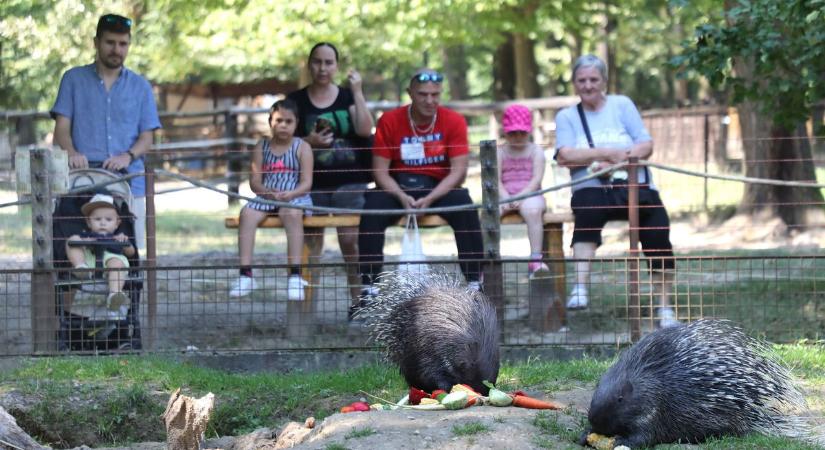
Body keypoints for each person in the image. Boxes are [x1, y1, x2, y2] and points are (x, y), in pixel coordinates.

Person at [555, 54, 677, 328]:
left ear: (604, 81)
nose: (588, 85)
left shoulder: (622, 105)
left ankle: (665, 307)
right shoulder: (567, 116)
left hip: (633, 183)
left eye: (593, 79)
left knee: (657, 226)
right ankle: (581, 287)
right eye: (582, 80)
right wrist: (606, 155)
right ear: (574, 83)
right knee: (587, 210)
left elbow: (645, 144)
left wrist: (618, 161)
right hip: (591, 186)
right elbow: (565, 155)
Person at [358, 69, 484, 300]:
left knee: (465, 206)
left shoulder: (454, 121)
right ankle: (369, 287)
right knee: (372, 208)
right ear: (410, 94)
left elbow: (458, 172)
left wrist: (431, 198)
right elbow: (379, 172)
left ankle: (475, 282)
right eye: (423, 94)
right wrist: (400, 196)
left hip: (438, 185)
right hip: (398, 185)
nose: (429, 100)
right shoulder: (389, 120)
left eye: (435, 95)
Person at [51, 13, 161, 256]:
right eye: (110, 42)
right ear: (96, 42)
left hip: (129, 183)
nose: (117, 50)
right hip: (80, 180)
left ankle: (120, 295)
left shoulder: (141, 86)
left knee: (126, 253)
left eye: (123, 44)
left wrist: (128, 156)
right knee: (68, 252)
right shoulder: (73, 79)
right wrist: (71, 152)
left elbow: (147, 137)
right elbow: (61, 128)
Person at [287, 42, 374, 308]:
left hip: (350, 180)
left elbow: (364, 129)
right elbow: (283, 142)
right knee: (312, 243)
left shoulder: (347, 96)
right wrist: (308, 140)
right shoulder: (296, 101)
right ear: (309, 64)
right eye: (317, 61)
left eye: (328, 62)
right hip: (311, 183)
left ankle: (358, 302)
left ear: (336, 66)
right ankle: (306, 306)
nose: (322, 68)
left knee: (349, 241)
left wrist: (357, 91)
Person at [229, 100, 313, 301]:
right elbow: (255, 181)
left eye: (288, 121)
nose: (283, 125)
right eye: (279, 120)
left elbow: (306, 182)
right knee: (247, 214)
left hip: (295, 196)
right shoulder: (262, 146)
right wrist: (267, 192)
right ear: (270, 122)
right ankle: (246, 274)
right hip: (268, 195)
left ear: (296, 123)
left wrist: (291, 195)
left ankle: (295, 274)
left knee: (291, 213)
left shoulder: (302, 147)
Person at [497, 104, 549, 278]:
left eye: (522, 132)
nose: (518, 137)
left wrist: (520, 197)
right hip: (504, 194)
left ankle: (535, 258)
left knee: (533, 210)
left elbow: (536, 179)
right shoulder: (500, 152)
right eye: (512, 133)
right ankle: (487, 260)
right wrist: (505, 197)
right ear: (505, 132)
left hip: (529, 194)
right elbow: (495, 180)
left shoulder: (536, 151)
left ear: (529, 131)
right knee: (490, 213)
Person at [66, 193, 135, 319]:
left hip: (111, 263)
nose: (103, 223)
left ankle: (114, 295)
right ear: (88, 222)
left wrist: (125, 243)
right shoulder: (86, 236)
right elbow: (74, 244)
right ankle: (81, 267)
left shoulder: (118, 237)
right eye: (97, 219)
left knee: (117, 264)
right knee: (72, 240)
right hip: (89, 264)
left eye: (108, 220)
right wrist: (83, 242)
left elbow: (131, 253)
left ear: (117, 223)